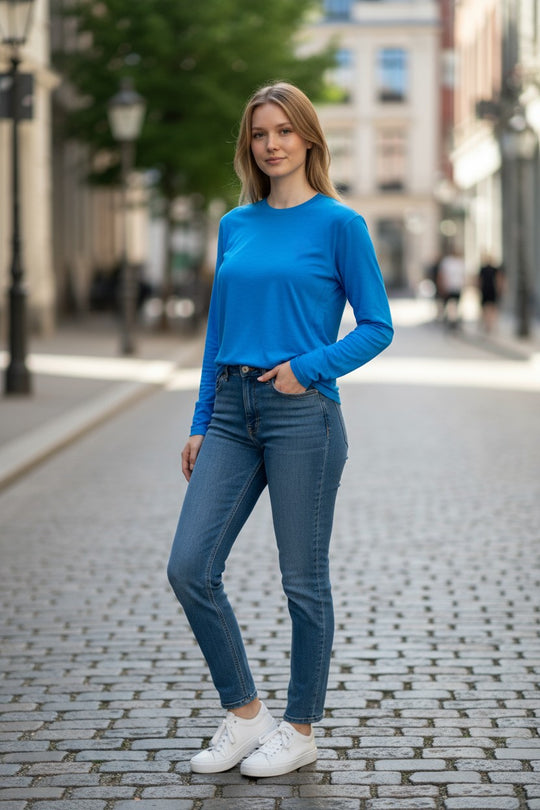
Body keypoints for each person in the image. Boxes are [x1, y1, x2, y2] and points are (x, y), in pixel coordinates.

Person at [167, 81, 393, 778]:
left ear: (308, 139)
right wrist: (203, 419)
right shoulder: (236, 225)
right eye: (260, 134)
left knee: (303, 581)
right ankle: (246, 716)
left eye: (283, 132)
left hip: (304, 415)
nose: (271, 145)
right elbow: (217, 335)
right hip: (233, 412)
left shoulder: (340, 225)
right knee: (190, 567)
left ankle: (299, 729)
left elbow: (379, 326)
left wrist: (310, 366)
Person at [438, 246, 466, 329]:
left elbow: (463, 276)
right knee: (451, 304)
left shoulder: (460, 262)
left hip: (456, 286)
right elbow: (443, 274)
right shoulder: (448, 262)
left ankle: (453, 318)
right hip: (450, 286)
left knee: (455, 304)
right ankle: (452, 319)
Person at [478, 254, 504, 333]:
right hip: (488, 289)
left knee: (490, 307)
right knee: (488, 307)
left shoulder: (494, 269)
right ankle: (488, 323)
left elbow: (498, 279)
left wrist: (499, 289)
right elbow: (479, 280)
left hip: (489, 289)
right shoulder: (483, 269)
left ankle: (490, 323)